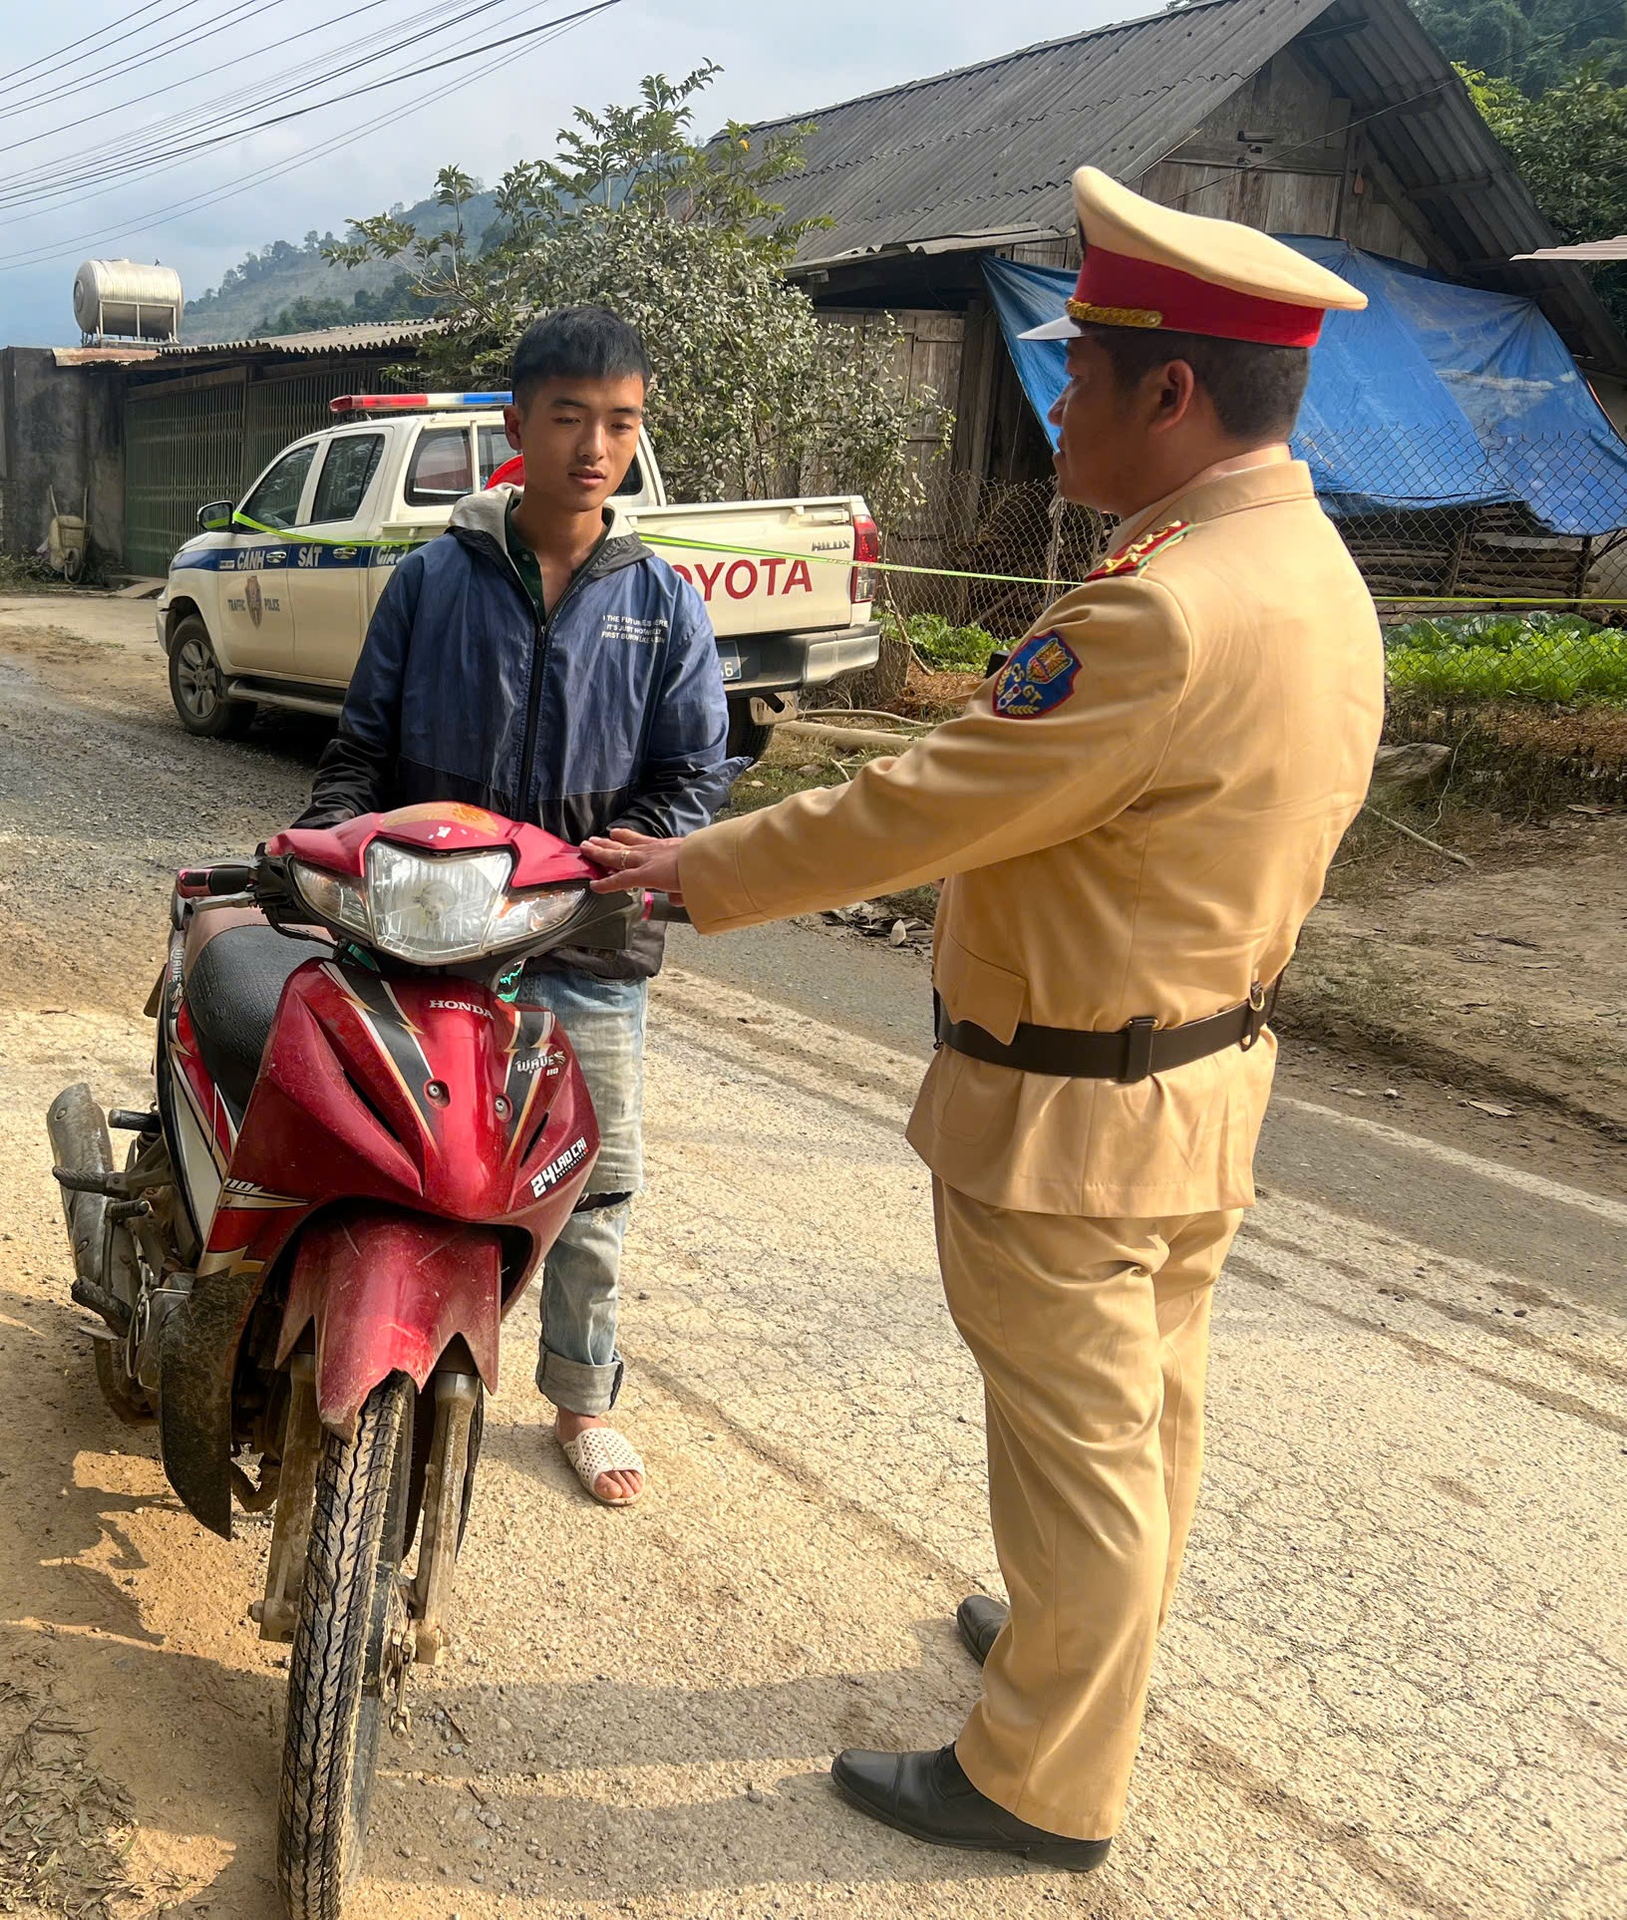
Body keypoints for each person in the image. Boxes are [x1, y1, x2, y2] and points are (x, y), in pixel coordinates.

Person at [587, 167, 1384, 1866]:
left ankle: (1039, 1777)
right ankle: (1068, 1650)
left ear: (1172, 392)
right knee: (1145, 1415)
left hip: (1076, 1113)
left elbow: (919, 807)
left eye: (1080, 370)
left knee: (1080, 1453)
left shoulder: (1161, 611)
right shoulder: (1305, 565)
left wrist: (684, 871)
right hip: (1199, 1076)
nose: (1056, 397)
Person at [294, 305, 738, 1506]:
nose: (596, 446)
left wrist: (638, 853)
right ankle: (361, 1340)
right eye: (570, 418)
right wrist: (336, 861)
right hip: (427, 942)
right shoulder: (431, 581)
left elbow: (698, 773)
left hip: (588, 946)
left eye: (621, 423)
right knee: (393, 1155)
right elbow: (359, 753)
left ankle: (581, 1399)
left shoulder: (662, 602)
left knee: (593, 1181)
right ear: (515, 424)